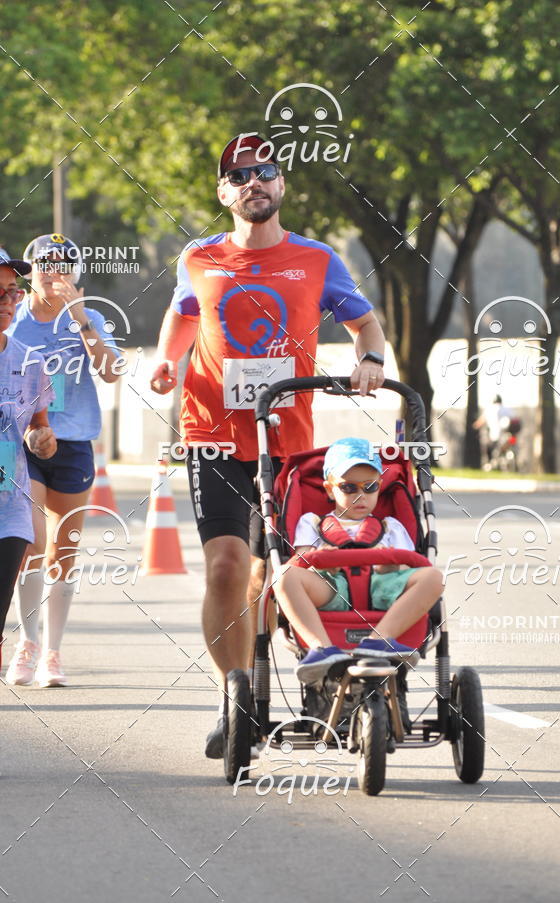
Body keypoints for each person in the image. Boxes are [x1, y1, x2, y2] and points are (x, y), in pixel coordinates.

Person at [150, 133, 387, 756]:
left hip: (286, 442)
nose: (253, 181)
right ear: (223, 192)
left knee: (271, 574)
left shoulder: (317, 259)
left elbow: (365, 323)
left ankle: (288, 672)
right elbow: (184, 313)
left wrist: (370, 360)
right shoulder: (200, 257)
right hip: (211, 433)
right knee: (226, 568)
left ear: (281, 184)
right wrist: (167, 360)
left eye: (265, 170)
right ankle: (236, 703)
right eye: (239, 175)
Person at [5, 233, 123, 688]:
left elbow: (110, 372)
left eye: (63, 264)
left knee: (65, 550)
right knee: (31, 542)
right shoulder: (14, 317)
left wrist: (80, 318)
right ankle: (27, 642)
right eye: (45, 263)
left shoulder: (87, 316)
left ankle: (52, 653)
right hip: (23, 442)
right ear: (30, 271)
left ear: (75, 273)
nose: (53, 272)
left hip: (74, 442)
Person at [274, 437, 443, 684]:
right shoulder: (312, 523)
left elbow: (409, 565)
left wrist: (391, 565)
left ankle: (378, 641)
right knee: (282, 575)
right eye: (348, 488)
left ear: (380, 486)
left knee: (433, 577)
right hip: (332, 587)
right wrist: (322, 559)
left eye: (369, 487)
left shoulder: (390, 526)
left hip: (383, 586)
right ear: (329, 489)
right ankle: (321, 648)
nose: (360, 496)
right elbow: (300, 561)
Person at [0, 249, 56, 672]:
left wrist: (41, 439)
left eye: (12, 292)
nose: (8, 302)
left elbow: (38, 425)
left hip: (9, 507)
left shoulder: (30, 361)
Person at [473, 394, 513, 469]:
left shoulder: (490, 409)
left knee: (488, 448)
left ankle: (489, 464)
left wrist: (474, 426)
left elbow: (480, 422)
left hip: (494, 435)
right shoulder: (507, 409)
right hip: (508, 436)